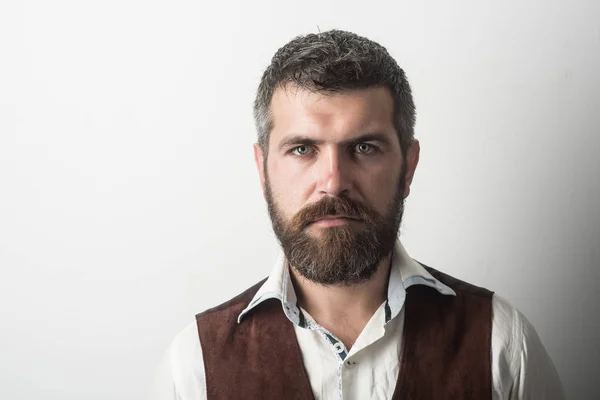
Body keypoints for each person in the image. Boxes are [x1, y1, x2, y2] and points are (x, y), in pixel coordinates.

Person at [154, 29, 565, 399]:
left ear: (409, 166)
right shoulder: (195, 366)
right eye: (303, 149)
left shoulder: (501, 343)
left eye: (364, 148)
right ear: (263, 170)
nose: (333, 182)